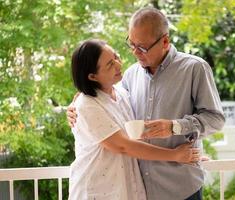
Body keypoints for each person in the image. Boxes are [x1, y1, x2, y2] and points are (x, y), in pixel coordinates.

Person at [68, 7, 225, 200]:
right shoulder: (130, 75)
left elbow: (215, 119)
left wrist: (175, 127)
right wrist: (77, 102)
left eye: (141, 48)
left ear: (165, 41)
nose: (135, 53)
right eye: (131, 44)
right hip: (141, 189)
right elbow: (102, 98)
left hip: (181, 187)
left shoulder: (194, 68)